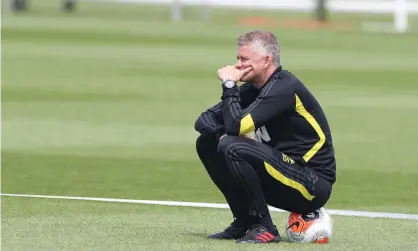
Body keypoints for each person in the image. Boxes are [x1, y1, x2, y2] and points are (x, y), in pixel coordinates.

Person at [194, 30, 336, 244]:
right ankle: (244, 222)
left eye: (244, 59)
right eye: (237, 59)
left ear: (266, 60)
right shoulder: (253, 89)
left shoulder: (284, 87)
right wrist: (226, 135)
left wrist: (229, 85)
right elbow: (204, 120)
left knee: (231, 146)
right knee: (208, 143)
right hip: (280, 173)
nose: (238, 65)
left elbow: (237, 126)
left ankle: (265, 228)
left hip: (311, 184)